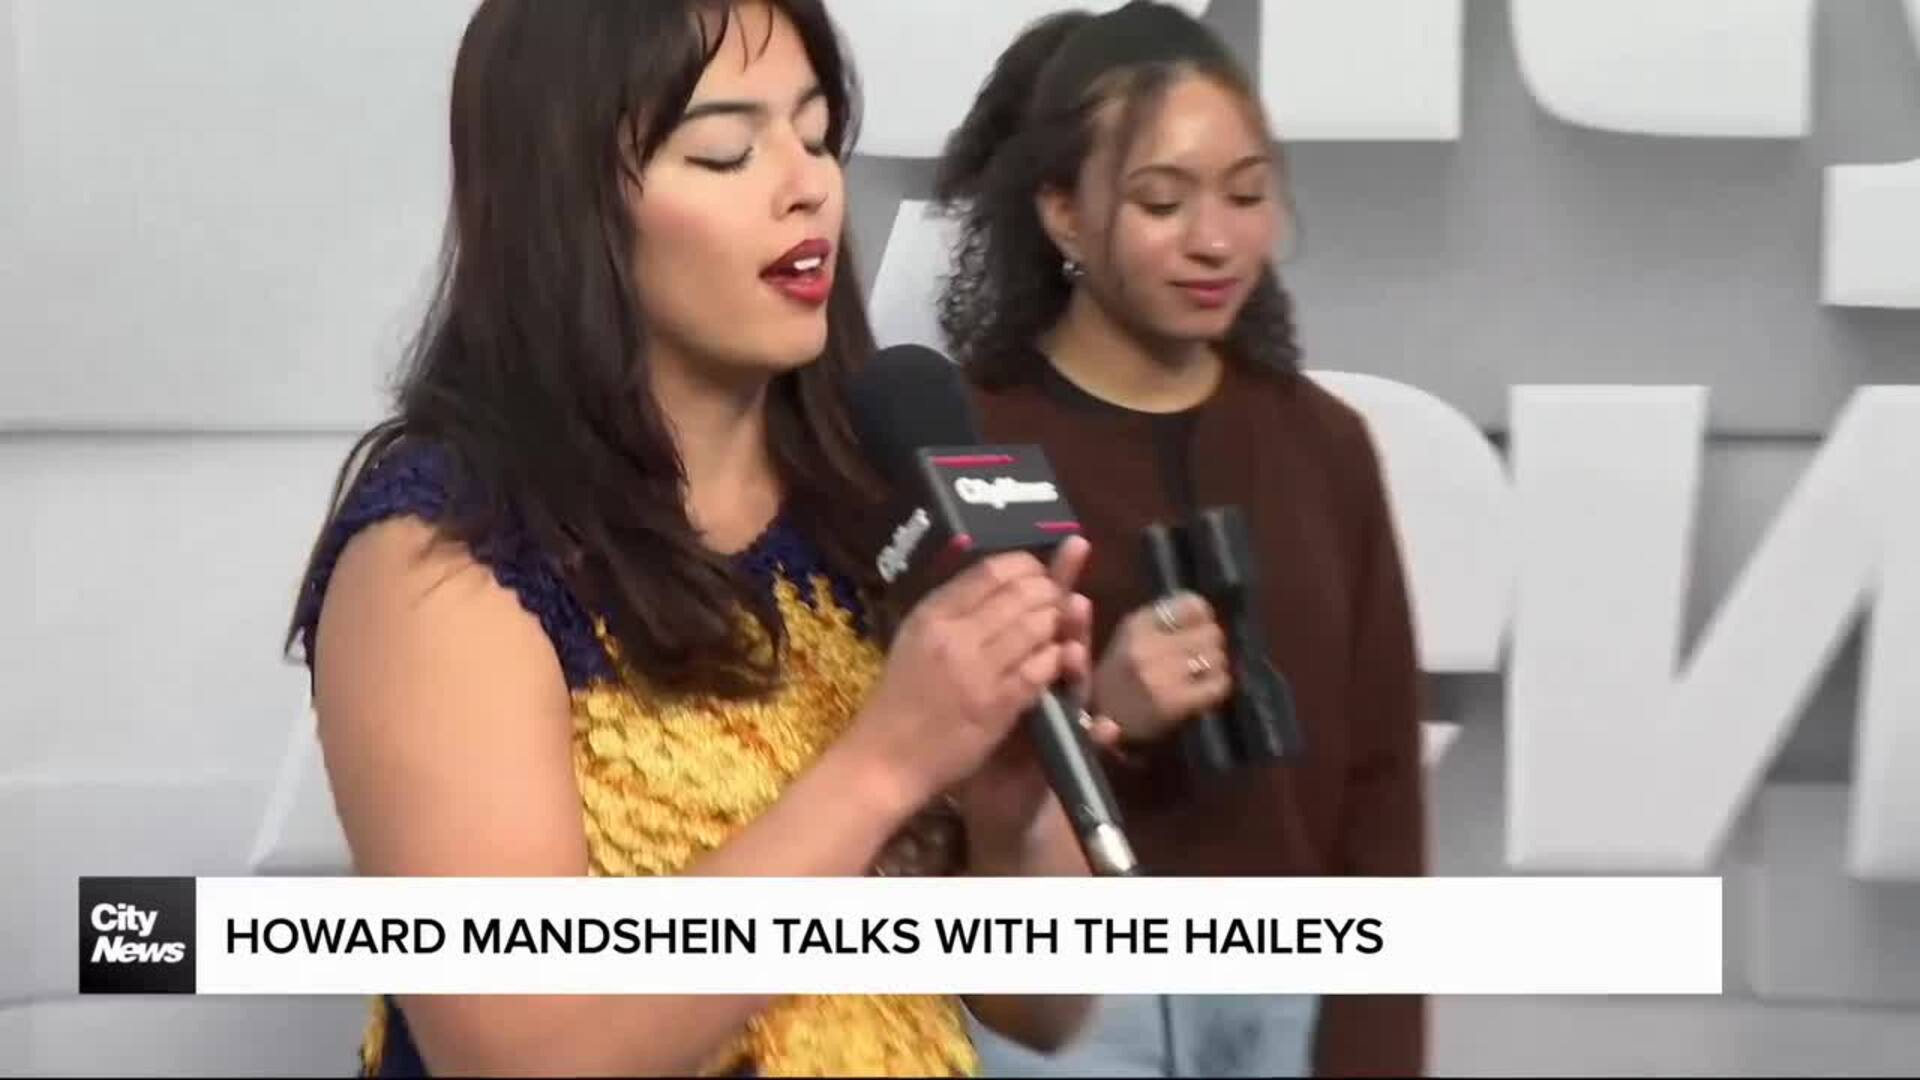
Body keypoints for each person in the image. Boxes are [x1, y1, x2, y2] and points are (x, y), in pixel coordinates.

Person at [286, 1, 1105, 1075]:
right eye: (725, 152)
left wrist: (1010, 820)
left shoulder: (869, 500)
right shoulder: (441, 554)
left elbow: (1041, 1010)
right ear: (569, 203)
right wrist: (887, 764)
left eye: (817, 136)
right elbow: (520, 1052)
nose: (807, 186)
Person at [931, 3, 1429, 1077]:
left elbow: (1382, 793)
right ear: (1063, 214)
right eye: (1163, 201)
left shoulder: (1326, 448)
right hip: (1062, 1013)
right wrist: (1105, 721)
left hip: (1292, 998)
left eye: (1247, 195)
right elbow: (936, 789)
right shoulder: (972, 446)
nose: (1216, 240)